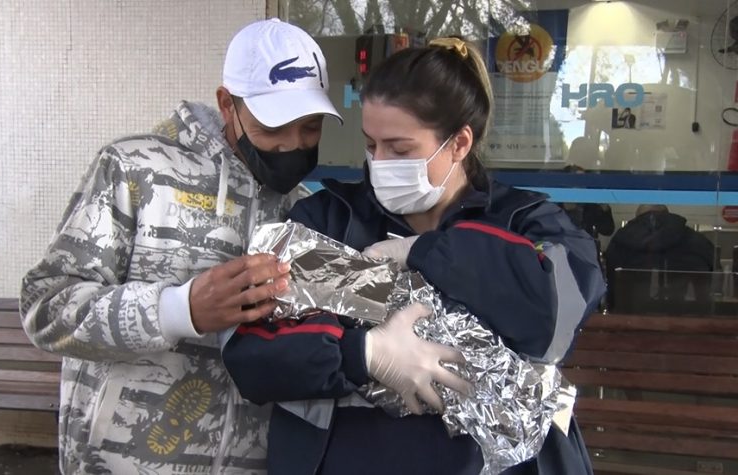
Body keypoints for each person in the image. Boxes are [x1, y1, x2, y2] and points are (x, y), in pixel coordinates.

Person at [222, 38, 606, 474]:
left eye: (400, 149)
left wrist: (427, 251)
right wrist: (360, 353)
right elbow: (251, 358)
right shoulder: (328, 221)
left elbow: (554, 317)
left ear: (459, 143)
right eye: (370, 145)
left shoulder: (525, 221)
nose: (379, 162)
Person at [19, 18, 342, 474]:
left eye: (310, 128)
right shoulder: (135, 170)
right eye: (274, 127)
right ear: (227, 104)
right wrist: (178, 309)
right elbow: (46, 308)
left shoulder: (305, 212)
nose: (293, 145)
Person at [604, 204, 716, 311]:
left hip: (632, 317)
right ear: (667, 214)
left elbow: (611, 280)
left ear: (637, 217)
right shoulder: (696, 239)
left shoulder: (621, 238)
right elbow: (714, 272)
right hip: (687, 317)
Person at [559, 165, 615, 240]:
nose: (582, 184)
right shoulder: (556, 203)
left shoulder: (590, 204)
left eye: (584, 180)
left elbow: (607, 230)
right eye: (578, 180)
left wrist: (605, 209)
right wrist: (569, 211)